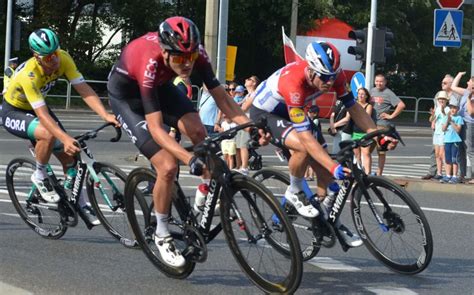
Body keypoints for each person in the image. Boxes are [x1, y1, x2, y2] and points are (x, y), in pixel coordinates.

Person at [107, 17, 266, 267]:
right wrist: (188, 158)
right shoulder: (148, 61)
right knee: (168, 165)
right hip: (128, 99)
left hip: (161, 88)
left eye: (190, 57)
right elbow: (157, 129)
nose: (187, 64)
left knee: (199, 132)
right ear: (164, 52)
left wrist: (249, 126)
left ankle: (206, 190)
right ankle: (161, 233)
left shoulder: (196, 54)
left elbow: (222, 99)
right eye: (180, 59)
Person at [249, 41, 398, 247]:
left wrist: (377, 135)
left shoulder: (334, 75)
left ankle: (325, 218)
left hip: (295, 110)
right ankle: (294, 192)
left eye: (332, 76)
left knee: (325, 172)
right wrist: (334, 165)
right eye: (324, 77)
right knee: (304, 148)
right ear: (310, 70)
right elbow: (306, 139)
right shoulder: (294, 83)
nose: (329, 82)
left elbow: (353, 107)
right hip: (269, 113)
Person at [1, 28, 118, 225]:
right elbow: (43, 116)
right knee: (48, 134)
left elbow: (84, 90)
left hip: (38, 108)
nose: (54, 60)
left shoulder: (63, 58)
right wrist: (63, 137)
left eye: (55, 53)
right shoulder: (29, 75)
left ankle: (79, 203)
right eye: (48, 58)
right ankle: (39, 174)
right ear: (36, 57)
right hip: (14, 111)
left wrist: (105, 114)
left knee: (71, 156)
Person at [422, 74, 461, 180]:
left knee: (447, 152)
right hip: (438, 126)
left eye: (445, 83)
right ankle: (433, 171)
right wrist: (433, 120)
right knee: (434, 151)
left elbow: (456, 111)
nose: (442, 84)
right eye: (442, 82)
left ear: (451, 84)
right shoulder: (439, 94)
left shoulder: (456, 95)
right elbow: (436, 108)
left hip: (449, 128)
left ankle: (450, 173)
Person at [370, 73, 406, 176]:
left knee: (381, 151)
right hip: (371, 125)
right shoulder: (372, 91)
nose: (379, 83)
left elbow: (401, 105)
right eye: (377, 81)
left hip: (382, 125)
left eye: (381, 81)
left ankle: (379, 174)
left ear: (385, 82)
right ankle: (367, 172)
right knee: (366, 150)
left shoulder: (388, 93)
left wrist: (391, 116)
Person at [451, 72, 474, 184]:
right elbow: (453, 87)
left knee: (469, 149)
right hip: (461, 122)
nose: (467, 82)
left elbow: (471, 112)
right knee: (460, 149)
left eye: (469, 81)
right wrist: (459, 75)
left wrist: (469, 99)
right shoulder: (466, 92)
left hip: (469, 124)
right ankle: (462, 174)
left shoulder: (472, 96)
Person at [348, 87, 374, 174]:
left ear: (366, 96)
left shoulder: (368, 106)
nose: (360, 96)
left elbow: (366, 117)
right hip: (355, 132)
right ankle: (358, 173)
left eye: (362, 94)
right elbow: (349, 115)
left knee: (366, 153)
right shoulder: (354, 105)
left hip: (365, 132)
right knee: (357, 155)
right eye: (359, 94)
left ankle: (367, 173)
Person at [441, 103, 463, 183]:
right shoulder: (446, 117)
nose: (452, 110)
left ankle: (454, 176)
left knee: (454, 159)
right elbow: (443, 129)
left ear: (457, 109)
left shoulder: (459, 118)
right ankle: (447, 175)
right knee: (447, 159)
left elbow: (458, 130)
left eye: (454, 108)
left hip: (455, 140)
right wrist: (447, 120)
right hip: (447, 140)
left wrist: (452, 122)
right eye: (451, 108)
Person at [430, 92, 449, 180]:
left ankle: (447, 174)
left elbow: (449, 118)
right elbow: (432, 119)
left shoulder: (448, 109)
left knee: (442, 154)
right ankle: (439, 173)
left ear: (446, 100)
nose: (441, 100)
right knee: (437, 154)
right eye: (440, 99)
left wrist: (443, 111)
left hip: (443, 133)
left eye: (443, 99)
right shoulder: (437, 109)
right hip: (437, 133)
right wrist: (433, 116)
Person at [304, 105, 326, 180]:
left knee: (312, 159)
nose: (308, 113)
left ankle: (311, 175)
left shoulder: (316, 121)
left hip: (315, 142)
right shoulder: (310, 120)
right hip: (311, 141)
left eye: (310, 112)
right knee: (307, 159)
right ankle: (306, 174)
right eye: (308, 111)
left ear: (315, 114)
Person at [233, 85, 251, 174]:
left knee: (243, 146)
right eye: (236, 92)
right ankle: (239, 166)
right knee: (237, 146)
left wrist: (236, 106)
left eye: (239, 92)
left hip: (245, 122)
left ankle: (244, 167)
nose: (237, 93)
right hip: (238, 122)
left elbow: (243, 108)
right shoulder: (247, 96)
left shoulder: (251, 95)